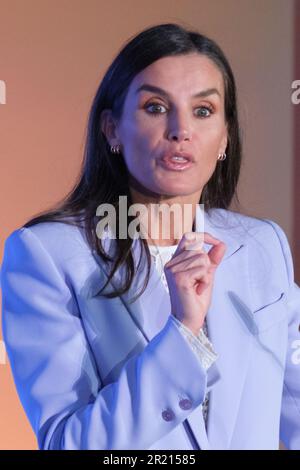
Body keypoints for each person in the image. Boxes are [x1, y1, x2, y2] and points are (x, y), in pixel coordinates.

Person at [1, 22, 300, 451]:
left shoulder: (263, 245)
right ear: (112, 130)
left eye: (203, 111)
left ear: (225, 138)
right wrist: (183, 332)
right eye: (156, 107)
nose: (181, 130)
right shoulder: (47, 255)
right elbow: (69, 443)